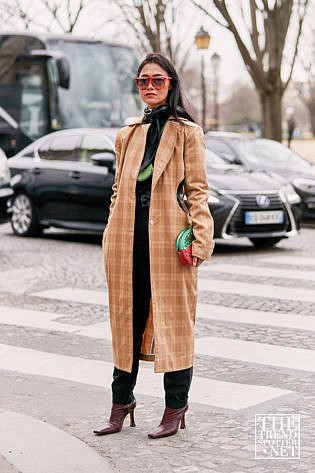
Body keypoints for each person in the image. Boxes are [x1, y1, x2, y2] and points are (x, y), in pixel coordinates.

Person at [94, 53, 214, 439]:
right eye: (143, 80)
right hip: (126, 242)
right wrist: (111, 227)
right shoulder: (127, 133)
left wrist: (200, 238)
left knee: (175, 325)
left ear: (171, 84)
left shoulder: (187, 132)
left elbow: (197, 190)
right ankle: (120, 403)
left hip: (168, 244)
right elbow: (118, 188)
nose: (149, 86)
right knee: (125, 322)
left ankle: (175, 408)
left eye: (157, 80)